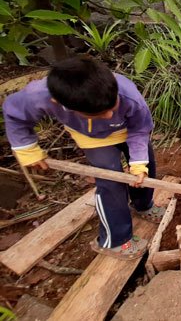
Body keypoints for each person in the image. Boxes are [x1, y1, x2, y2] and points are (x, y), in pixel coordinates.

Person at [3, 56, 164, 260]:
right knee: (111, 181)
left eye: (111, 107)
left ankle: (144, 205)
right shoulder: (39, 95)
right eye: (98, 113)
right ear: (61, 104)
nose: (107, 115)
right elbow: (15, 114)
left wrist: (138, 163)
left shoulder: (128, 94)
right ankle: (115, 241)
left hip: (129, 130)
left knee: (145, 167)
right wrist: (27, 150)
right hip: (91, 139)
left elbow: (140, 129)